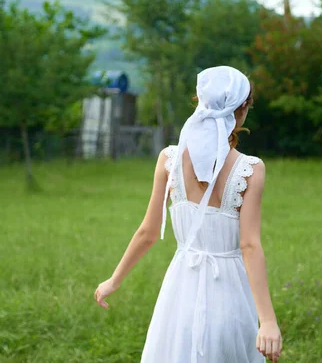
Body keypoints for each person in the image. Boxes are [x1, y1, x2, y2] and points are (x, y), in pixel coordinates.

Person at [94, 66, 282, 362]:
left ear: (200, 102)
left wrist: (114, 280)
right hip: (230, 293)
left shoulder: (169, 160)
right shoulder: (250, 169)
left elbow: (148, 231)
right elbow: (249, 245)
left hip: (180, 292)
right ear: (242, 110)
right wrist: (267, 321)